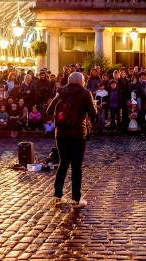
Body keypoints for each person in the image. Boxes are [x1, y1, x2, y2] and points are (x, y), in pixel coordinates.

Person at [46, 71, 96, 208]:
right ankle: (75, 199)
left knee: (63, 163)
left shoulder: (61, 92)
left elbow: (49, 111)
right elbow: (93, 114)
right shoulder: (85, 93)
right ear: (81, 81)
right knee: (76, 166)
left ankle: (57, 196)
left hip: (61, 134)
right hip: (78, 134)